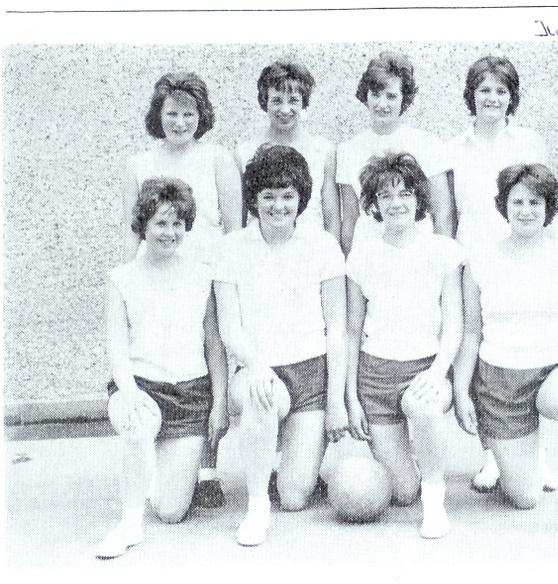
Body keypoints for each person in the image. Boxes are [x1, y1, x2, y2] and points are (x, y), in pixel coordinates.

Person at [454, 164, 558, 545]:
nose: (525, 210)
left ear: (549, 207)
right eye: (517, 201)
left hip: (554, 369)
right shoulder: (480, 257)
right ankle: (519, 454)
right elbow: (472, 332)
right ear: (504, 206)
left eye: (535, 202)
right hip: (500, 378)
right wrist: (461, 390)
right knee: (524, 498)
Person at [214, 145, 347, 546]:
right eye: (268, 195)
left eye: (288, 195)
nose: (278, 205)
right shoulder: (232, 247)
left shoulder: (323, 245)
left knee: (294, 496)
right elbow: (228, 326)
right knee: (262, 398)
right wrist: (255, 365)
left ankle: (288, 461)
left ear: (301, 198)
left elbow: (336, 328)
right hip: (257, 371)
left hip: (310, 375)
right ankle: (256, 506)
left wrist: (337, 400)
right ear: (253, 197)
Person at [122, 72, 242, 508]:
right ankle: (164, 457)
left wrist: (230, 278)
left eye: (188, 113)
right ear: (158, 115)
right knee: (165, 357)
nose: (179, 121)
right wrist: (130, 285)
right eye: (171, 112)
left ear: (201, 116)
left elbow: (233, 227)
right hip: (156, 276)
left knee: (208, 360)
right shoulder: (139, 163)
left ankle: (207, 468)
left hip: (207, 275)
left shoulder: (217, 158)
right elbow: (132, 231)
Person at [96, 178, 228, 558]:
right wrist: (129, 392)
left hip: (189, 394)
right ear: (143, 226)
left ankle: (153, 477)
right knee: (138, 426)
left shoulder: (202, 274)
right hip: (139, 386)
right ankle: (128, 523)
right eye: (160, 223)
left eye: (177, 224)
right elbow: (117, 347)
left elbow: (214, 347)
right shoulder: (121, 278)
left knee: (171, 511)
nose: (169, 233)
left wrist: (218, 402)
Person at [447, 54, 555, 493]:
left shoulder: (530, 142)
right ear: (471, 95)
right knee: (482, 356)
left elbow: (546, 202)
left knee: (530, 351)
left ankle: (537, 453)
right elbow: (447, 214)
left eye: (501, 91)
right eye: (484, 89)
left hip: (526, 262)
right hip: (476, 266)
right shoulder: (452, 149)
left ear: (512, 98)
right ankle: (493, 455)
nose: (492, 98)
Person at [346, 152, 463, 539]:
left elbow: (454, 324)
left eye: (406, 193)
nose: (396, 203)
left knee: (424, 406)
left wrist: (437, 371)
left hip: (425, 367)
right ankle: (411, 467)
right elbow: (351, 331)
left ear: (419, 199)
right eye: (386, 196)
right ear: (375, 205)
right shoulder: (361, 255)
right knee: (401, 492)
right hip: (376, 376)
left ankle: (436, 499)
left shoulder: (442, 251)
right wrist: (351, 397)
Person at [337, 51, 453, 255]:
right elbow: (350, 219)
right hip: (369, 255)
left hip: (419, 254)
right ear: (366, 95)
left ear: (404, 99)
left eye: (391, 96)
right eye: (375, 94)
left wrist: (441, 262)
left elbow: (442, 213)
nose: (382, 104)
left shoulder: (428, 143)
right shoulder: (348, 149)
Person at [235, 58, 340, 239]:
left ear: (303, 103)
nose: (285, 109)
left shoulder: (323, 150)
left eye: (293, 100)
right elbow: (240, 220)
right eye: (276, 100)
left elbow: (331, 219)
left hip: (312, 250)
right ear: (264, 101)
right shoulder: (244, 152)